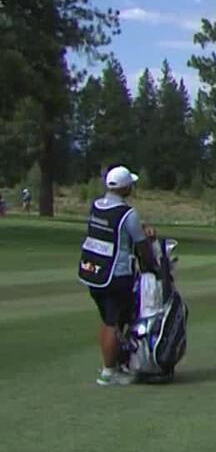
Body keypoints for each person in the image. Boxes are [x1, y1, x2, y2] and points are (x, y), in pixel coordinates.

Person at [78, 165, 159, 386]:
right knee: (115, 322)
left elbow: (113, 228)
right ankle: (109, 372)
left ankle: (112, 364)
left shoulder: (96, 205)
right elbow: (142, 246)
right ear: (125, 188)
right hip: (116, 274)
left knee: (107, 320)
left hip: (93, 272)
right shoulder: (128, 214)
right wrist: (152, 267)